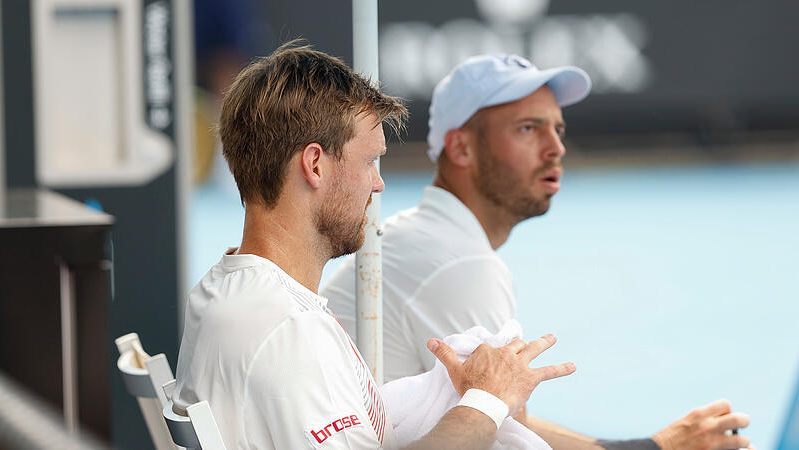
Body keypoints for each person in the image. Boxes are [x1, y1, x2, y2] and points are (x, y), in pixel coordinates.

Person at [321, 54, 753, 450]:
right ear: (461, 147)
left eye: (557, 129)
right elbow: (506, 435)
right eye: (529, 128)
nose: (556, 147)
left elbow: (504, 418)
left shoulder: (426, 239)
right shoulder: (458, 263)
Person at [172, 43, 578, 449]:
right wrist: (486, 401)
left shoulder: (226, 294)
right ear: (315, 165)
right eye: (369, 162)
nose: (378, 184)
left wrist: (445, 392)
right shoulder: (286, 328)